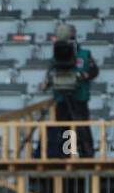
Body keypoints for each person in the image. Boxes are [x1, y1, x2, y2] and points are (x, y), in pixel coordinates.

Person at [42, 23, 99, 160]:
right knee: (64, 127)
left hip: (79, 97)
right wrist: (47, 82)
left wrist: (84, 75)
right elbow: (50, 74)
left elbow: (94, 70)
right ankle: (66, 154)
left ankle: (87, 155)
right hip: (61, 97)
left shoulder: (84, 55)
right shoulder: (55, 57)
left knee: (82, 126)